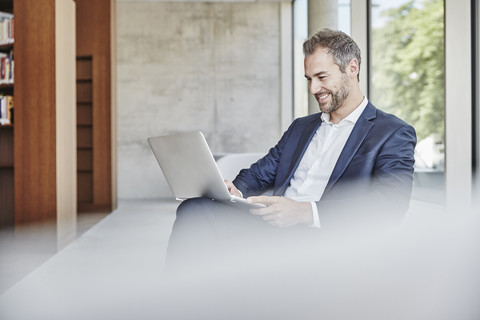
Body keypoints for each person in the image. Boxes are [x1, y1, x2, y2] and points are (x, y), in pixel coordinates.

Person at [166, 29, 416, 269]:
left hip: (322, 236)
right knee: (194, 209)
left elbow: (390, 203)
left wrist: (305, 212)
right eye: (309, 79)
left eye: (322, 77)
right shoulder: (301, 127)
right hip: (271, 224)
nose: (313, 89)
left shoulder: (391, 132)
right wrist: (236, 190)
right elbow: (260, 172)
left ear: (352, 68)